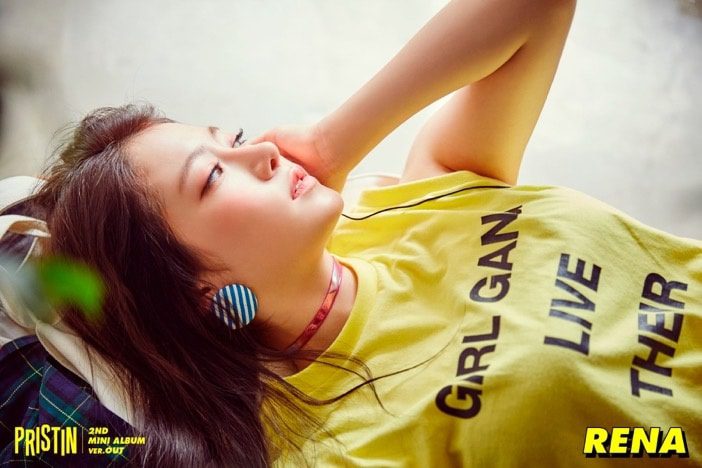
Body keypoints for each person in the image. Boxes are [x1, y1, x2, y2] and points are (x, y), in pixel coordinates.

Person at [1, 0, 700, 466]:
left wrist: (335, 140)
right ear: (198, 291)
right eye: (213, 176)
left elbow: (538, 9)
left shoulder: (408, 199)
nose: (261, 151)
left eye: (233, 138)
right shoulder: (335, 449)